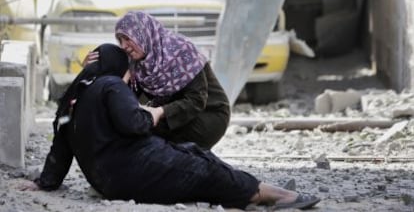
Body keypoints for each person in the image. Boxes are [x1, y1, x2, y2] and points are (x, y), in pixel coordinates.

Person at [22, 43, 320, 210]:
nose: (129, 81)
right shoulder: (111, 86)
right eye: (128, 74)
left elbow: (59, 153)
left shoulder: (72, 99)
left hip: (107, 181)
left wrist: (42, 183)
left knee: (192, 153)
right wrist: (152, 113)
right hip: (135, 171)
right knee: (205, 167)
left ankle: (256, 186)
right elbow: (135, 124)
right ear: (117, 70)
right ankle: (273, 196)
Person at [85, 11, 230, 149]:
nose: (124, 46)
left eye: (128, 38)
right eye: (120, 40)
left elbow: (197, 100)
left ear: (144, 34)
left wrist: (159, 112)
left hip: (208, 115)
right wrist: (90, 71)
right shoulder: (139, 63)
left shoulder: (181, 51)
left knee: (141, 134)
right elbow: (123, 98)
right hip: (173, 117)